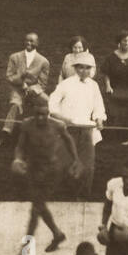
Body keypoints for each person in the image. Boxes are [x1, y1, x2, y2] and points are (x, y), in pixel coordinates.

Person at [11, 95, 78, 255]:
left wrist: (75, 160)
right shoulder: (26, 125)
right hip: (33, 170)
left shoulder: (58, 125)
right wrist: (18, 159)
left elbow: (69, 141)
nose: (40, 118)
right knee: (39, 206)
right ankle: (57, 233)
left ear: (48, 112)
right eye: (37, 114)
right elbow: (20, 146)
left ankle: (26, 251)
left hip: (52, 171)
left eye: (43, 114)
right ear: (33, 113)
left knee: (36, 210)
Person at [48, 51, 105, 196]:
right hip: (68, 129)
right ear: (75, 68)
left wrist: (99, 119)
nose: (84, 71)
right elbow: (52, 104)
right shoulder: (65, 84)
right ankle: (61, 194)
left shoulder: (94, 85)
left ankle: (83, 195)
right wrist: (63, 119)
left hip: (87, 130)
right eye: (81, 67)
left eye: (88, 68)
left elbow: (99, 106)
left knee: (87, 166)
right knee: (64, 163)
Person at [0, 33, 51, 149]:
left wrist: (31, 89)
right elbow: (9, 76)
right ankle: (5, 133)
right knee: (15, 105)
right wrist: (20, 82)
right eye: (27, 41)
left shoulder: (43, 61)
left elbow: (43, 84)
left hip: (34, 91)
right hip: (17, 89)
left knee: (48, 102)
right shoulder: (14, 57)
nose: (29, 43)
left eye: (32, 41)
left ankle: (46, 133)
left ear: (37, 43)